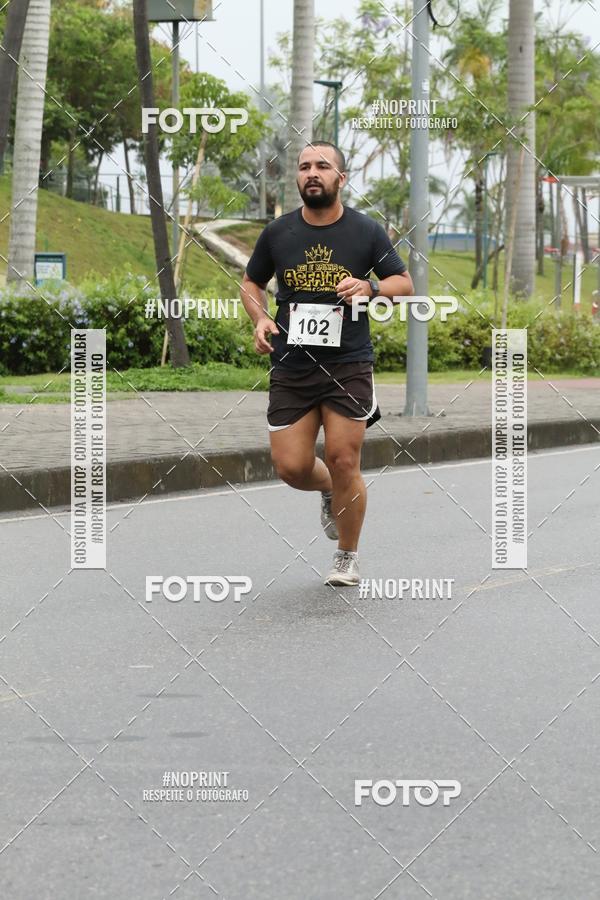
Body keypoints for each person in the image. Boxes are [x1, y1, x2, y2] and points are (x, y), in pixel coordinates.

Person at [241, 141, 413, 586]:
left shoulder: (365, 231)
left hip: (348, 363)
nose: (311, 173)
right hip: (292, 364)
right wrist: (260, 318)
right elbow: (251, 282)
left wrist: (371, 288)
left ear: (341, 177)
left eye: (322, 166)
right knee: (292, 467)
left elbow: (403, 283)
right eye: (304, 167)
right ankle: (327, 490)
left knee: (342, 458)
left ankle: (346, 556)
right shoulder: (278, 233)